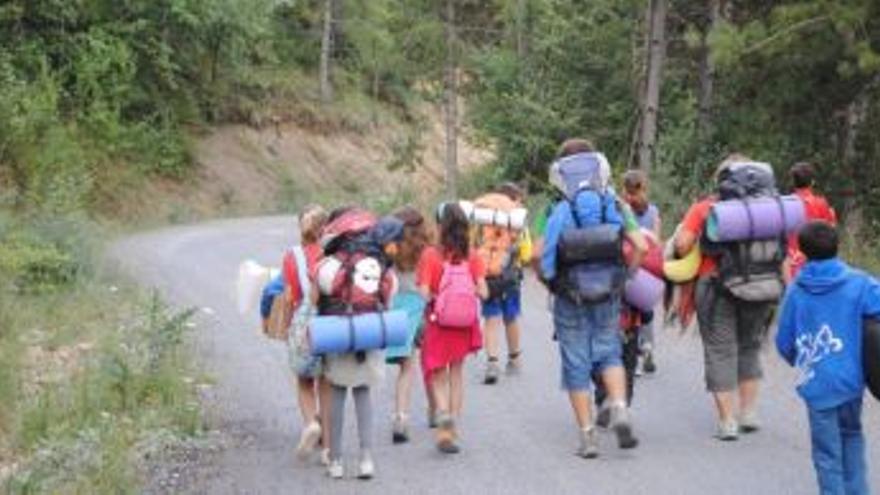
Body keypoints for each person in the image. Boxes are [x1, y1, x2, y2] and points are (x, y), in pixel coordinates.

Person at [539, 138, 646, 458]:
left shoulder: (556, 210)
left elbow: (543, 260)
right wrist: (626, 277)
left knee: (576, 362)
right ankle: (620, 408)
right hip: (608, 292)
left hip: (570, 296)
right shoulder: (614, 203)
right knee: (610, 353)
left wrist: (550, 284)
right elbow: (640, 246)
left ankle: (588, 437)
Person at [673, 154, 779, 441]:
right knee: (749, 346)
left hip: (716, 285)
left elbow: (682, 245)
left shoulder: (707, 207)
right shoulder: (770, 208)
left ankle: (727, 421)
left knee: (721, 349)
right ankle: (748, 413)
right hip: (762, 285)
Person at [776, 221, 878, 495]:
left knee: (826, 455)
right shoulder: (860, 283)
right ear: (838, 245)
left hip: (817, 383)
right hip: (851, 379)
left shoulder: (796, 290)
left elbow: (784, 342)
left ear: (803, 252)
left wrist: (803, 359)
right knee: (853, 436)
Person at [315, 211, 404, 480]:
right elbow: (390, 297)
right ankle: (366, 459)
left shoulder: (331, 264)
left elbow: (315, 294)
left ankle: (337, 460)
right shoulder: (380, 263)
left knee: (338, 396)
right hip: (370, 333)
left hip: (340, 335)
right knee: (364, 394)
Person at [418, 202, 488, 454]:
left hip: (439, 322)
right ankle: (451, 428)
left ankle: (444, 413)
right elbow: (484, 291)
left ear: (440, 225)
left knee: (438, 374)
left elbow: (424, 292)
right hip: (464, 324)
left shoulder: (430, 255)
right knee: (457, 373)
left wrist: (438, 298)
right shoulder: (473, 255)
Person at [385, 206, 430, 444]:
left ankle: (401, 417)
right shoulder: (426, 250)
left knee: (405, 368)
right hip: (421, 308)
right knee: (431, 362)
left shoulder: (390, 249)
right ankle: (435, 409)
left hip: (397, 310)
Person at [481, 182, 532, 383]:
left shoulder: (484, 217)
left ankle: (492, 361)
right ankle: (514, 358)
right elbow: (526, 253)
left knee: (491, 318)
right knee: (510, 317)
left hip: (487, 276)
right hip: (510, 277)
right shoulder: (517, 222)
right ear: (512, 199)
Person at [622, 170, 662, 374]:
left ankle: (635, 354)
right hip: (650, 267)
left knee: (630, 310)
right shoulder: (653, 211)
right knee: (645, 308)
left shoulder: (623, 210)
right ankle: (647, 347)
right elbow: (657, 241)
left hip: (631, 263)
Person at [784, 162, 838, 283]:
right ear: (812, 182)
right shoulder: (821, 203)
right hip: (815, 264)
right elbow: (830, 234)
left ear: (793, 182)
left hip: (790, 264)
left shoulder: (784, 204)